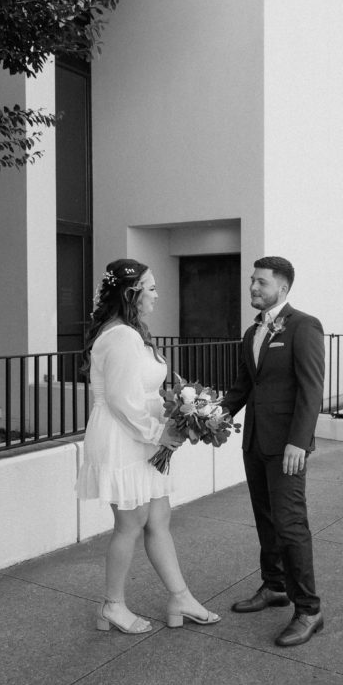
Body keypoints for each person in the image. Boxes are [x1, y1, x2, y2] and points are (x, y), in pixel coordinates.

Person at [77, 258, 220, 634]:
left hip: (142, 435)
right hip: (123, 438)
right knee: (131, 523)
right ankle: (113, 606)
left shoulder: (130, 331)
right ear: (131, 293)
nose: (157, 295)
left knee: (158, 519)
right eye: (151, 288)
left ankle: (180, 597)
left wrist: (183, 412)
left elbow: (143, 391)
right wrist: (161, 433)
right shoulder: (121, 336)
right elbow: (123, 401)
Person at [222, 256, 325, 647]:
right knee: (265, 518)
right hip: (255, 443)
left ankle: (309, 609)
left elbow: (311, 388)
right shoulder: (252, 333)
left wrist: (299, 441)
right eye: (252, 281)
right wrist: (207, 417)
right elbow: (242, 388)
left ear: (281, 288)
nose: (252, 288)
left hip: (287, 447)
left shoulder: (304, 326)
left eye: (260, 283)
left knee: (290, 523)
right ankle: (274, 586)